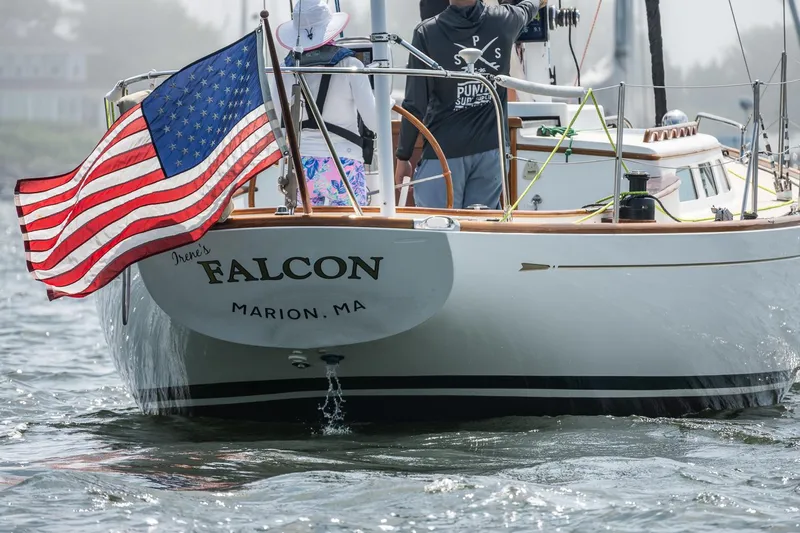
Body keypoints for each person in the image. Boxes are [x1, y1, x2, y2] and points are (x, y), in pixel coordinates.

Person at [395, 0, 547, 209]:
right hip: (491, 152)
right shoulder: (505, 19)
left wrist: (403, 157)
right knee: (480, 229)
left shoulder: (427, 33)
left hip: (444, 154)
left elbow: (414, 105)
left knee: (439, 228)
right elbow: (528, 7)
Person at [271, 0, 378, 207]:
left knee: (305, 231)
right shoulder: (351, 65)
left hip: (301, 165)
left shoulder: (284, 70)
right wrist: (385, 103)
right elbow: (374, 123)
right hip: (343, 163)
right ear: (330, 29)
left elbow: (277, 122)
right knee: (351, 231)